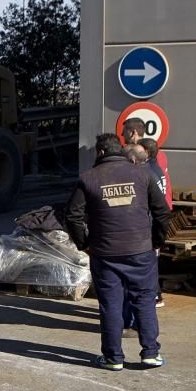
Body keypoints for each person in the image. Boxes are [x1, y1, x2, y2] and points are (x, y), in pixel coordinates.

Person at [65, 133, 170, 371]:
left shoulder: (88, 178)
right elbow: (162, 212)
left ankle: (113, 358)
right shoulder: (144, 174)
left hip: (105, 253)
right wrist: (155, 241)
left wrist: (85, 245)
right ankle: (151, 354)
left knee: (111, 304)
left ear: (100, 152)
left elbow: (72, 216)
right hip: (141, 251)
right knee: (144, 300)